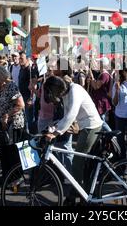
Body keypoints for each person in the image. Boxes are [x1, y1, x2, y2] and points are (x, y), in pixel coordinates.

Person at [43, 76, 103, 205]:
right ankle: (79, 193)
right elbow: (66, 116)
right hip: (84, 126)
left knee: (77, 163)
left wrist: (56, 133)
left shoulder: (75, 89)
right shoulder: (66, 93)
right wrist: (54, 127)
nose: (53, 95)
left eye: (52, 92)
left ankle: (79, 195)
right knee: (83, 166)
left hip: (91, 126)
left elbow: (71, 114)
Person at [0, 66, 25, 186]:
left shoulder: (12, 86)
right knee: (3, 151)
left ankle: (16, 178)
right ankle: (6, 176)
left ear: (2, 75)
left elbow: (20, 104)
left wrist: (7, 115)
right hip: (3, 122)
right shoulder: (0, 86)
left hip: (13, 123)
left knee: (12, 152)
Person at [87, 57, 112, 131]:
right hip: (100, 101)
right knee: (100, 120)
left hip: (101, 101)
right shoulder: (102, 74)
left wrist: (91, 79)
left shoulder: (104, 75)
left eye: (99, 63)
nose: (98, 64)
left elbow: (96, 86)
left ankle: (111, 134)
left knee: (101, 121)